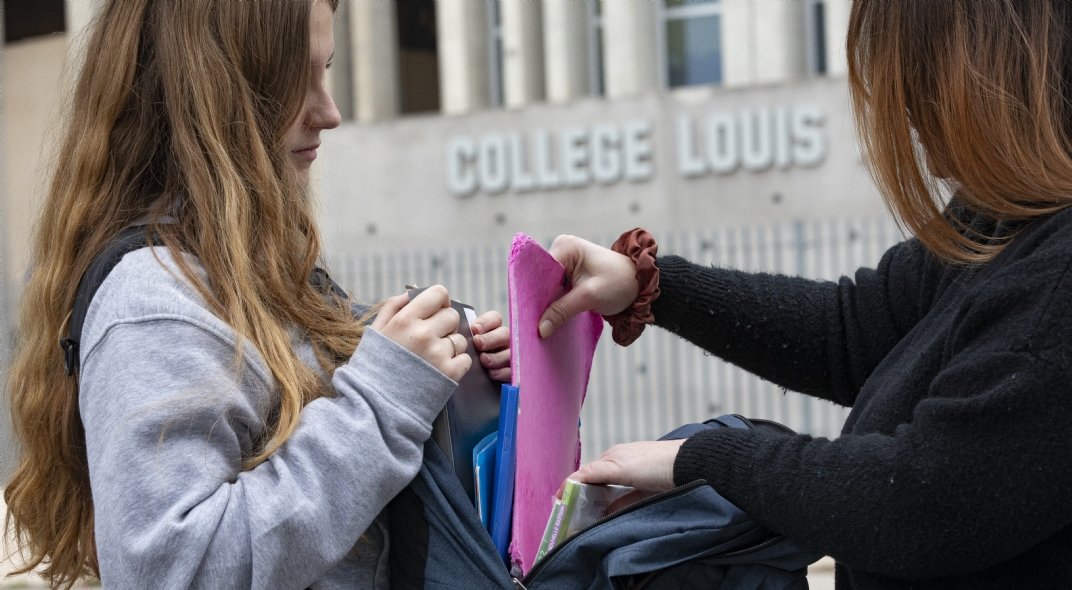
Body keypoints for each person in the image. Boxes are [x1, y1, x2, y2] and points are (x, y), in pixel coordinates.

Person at [539, 1, 1072, 588]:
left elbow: (925, 503)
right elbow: (851, 330)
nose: (908, 119)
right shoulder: (1009, 212)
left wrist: (702, 459)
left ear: (984, 73)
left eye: (917, 83)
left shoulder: (1058, 283)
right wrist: (645, 285)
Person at [2, 1, 510, 588]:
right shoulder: (152, 304)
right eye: (296, 79)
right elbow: (175, 573)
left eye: (326, 70)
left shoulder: (237, 272)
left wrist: (442, 362)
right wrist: (383, 400)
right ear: (214, 96)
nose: (329, 113)